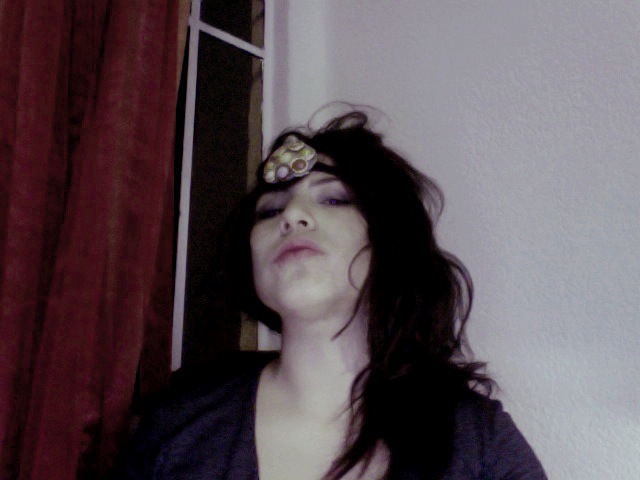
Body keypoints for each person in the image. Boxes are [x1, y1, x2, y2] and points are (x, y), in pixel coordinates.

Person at [114, 111, 547, 479]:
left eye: (334, 200)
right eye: (270, 210)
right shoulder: (174, 428)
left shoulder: (477, 440)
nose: (291, 215)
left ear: (389, 241)